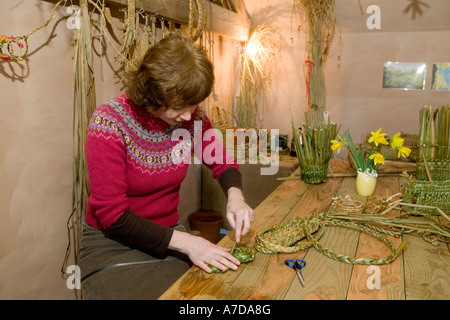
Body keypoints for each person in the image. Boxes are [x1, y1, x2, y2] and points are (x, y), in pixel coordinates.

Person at [78, 33, 254, 299]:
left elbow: (221, 161)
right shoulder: (109, 123)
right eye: (180, 108)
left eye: (193, 106)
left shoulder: (191, 118)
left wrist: (236, 197)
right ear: (151, 95)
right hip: (112, 242)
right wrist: (190, 243)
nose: (188, 116)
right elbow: (113, 217)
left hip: (169, 234)